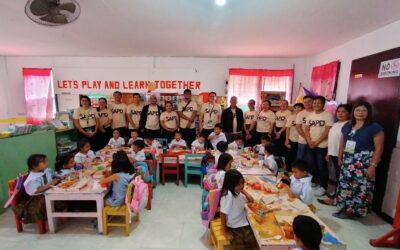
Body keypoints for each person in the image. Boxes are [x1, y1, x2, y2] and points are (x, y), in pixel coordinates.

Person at [334, 102, 384, 219]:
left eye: (364, 110)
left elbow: (379, 148)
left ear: (369, 112)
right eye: (357, 110)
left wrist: (373, 166)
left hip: (364, 161)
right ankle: (345, 207)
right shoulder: (347, 126)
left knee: (360, 187)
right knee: (345, 184)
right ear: (353, 112)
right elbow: (342, 143)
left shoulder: (374, 127)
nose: (360, 113)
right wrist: (340, 157)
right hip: (348, 160)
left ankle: (355, 211)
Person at [318, 104, 351, 206]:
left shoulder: (349, 125)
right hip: (333, 153)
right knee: (336, 175)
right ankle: (335, 196)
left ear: (349, 113)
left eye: (343, 112)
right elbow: (332, 139)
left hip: (340, 155)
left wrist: (341, 156)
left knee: (340, 176)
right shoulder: (336, 124)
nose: (340, 114)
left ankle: (336, 198)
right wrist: (328, 152)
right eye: (339, 111)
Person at [13, 154, 60, 224]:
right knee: (56, 200)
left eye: (46, 161)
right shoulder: (33, 179)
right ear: (34, 166)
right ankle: (52, 215)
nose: (47, 163)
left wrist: (59, 178)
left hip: (47, 191)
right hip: (37, 198)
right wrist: (50, 185)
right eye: (44, 162)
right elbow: (37, 190)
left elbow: (51, 175)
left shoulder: (46, 170)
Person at [220, 169, 258, 250]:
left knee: (255, 245)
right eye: (238, 184)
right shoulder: (228, 195)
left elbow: (251, 200)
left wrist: (243, 190)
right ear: (230, 185)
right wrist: (225, 232)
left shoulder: (238, 192)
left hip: (244, 224)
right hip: (234, 228)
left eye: (242, 183)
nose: (241, 186)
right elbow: (222, 214)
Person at [304, 96, 334, 196]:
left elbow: (327, 130)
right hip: (310, 143)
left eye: (319, 103)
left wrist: (316, 142)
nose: (316, 105)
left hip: (322, 145)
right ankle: (313, 182)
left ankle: (323, 186)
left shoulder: (328, 115)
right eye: (314, 103)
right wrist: (309, 141)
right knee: (311, 163)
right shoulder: (310, 115)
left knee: (322, 166)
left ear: (323, 104)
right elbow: (306, 129)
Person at [285, 103, 304, 170]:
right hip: (292, 140)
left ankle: (297, 172)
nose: (297, 109)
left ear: (303, 109)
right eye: (295, 107)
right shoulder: (291, 117)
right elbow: (287, 129)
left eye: (299, 107)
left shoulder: (304, 117)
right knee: (289, 157)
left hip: (301, 141)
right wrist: (287, 140)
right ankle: (288, 171)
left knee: (299, 158)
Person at [296, 95, 314, 160]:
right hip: (303, 141)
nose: (307, 103)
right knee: (300, 159)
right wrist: (307, 138)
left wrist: (311, 140)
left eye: (309, 101)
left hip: (315, 141)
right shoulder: (300, 114)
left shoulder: (317, 113)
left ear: (313, 102)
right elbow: (298, 127)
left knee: (311, 160)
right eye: (305, 102)